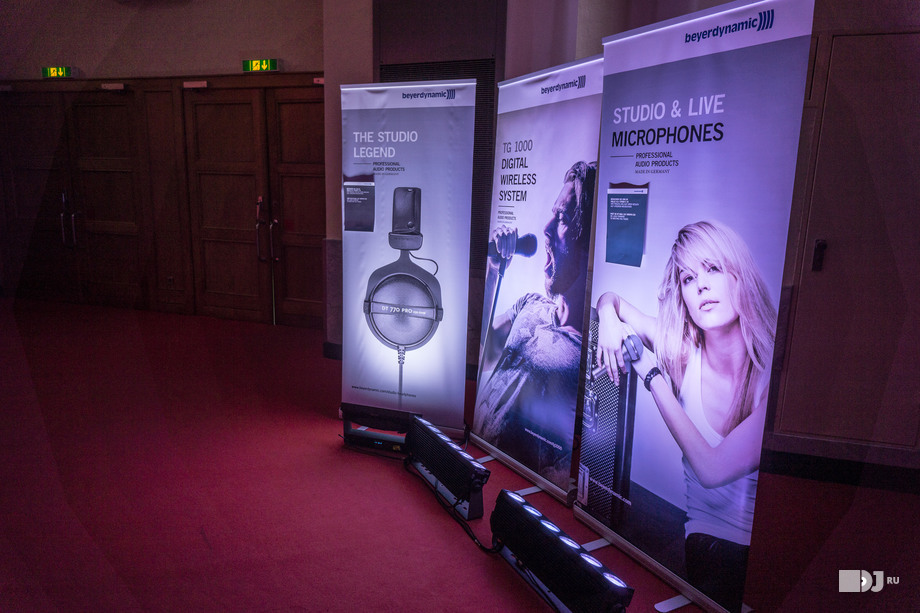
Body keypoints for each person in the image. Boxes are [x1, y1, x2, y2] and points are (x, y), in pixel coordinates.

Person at [595, 220, 776, 613]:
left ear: (739, 275)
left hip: (766, 548)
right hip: (710, 541)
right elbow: (611, 300)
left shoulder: (771, 377)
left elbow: (712, 468)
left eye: (713, 269)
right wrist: (607, 318)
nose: (701, 286)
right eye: (689, 278)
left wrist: (651, 374)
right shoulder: (682, 352)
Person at [473, 160, 597, 487]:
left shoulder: (592, 351)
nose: (546, 228)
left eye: (563, 218)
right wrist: (494, 271)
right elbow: (484, 355)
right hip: (478, 461)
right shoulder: (530, 304)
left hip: (521, 488)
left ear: (590, 244)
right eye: (553, 214)